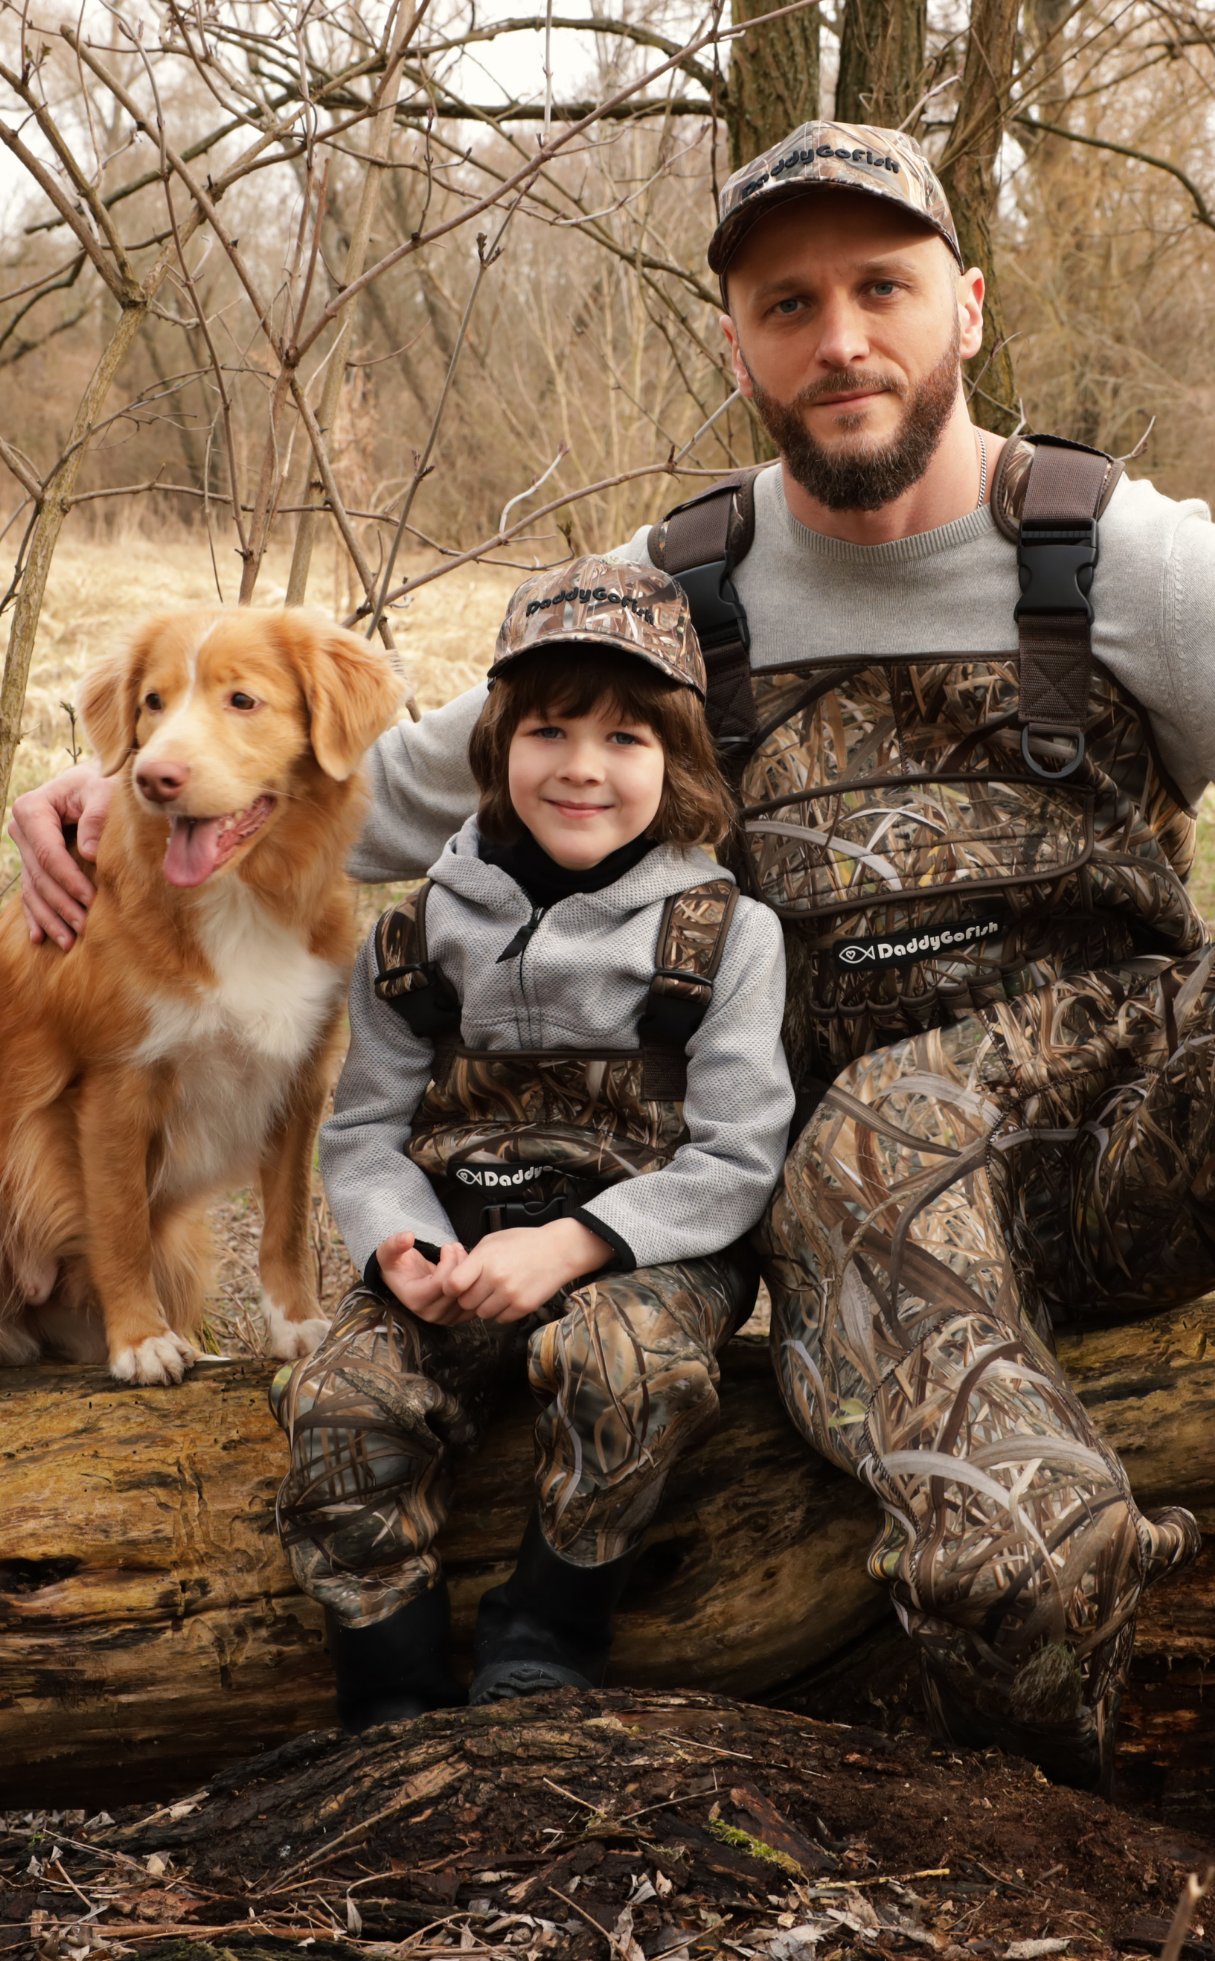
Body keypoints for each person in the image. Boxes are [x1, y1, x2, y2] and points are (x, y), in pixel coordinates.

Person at [11, 123, 1215, 1886]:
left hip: (1111, 1137)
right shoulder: (670, 591)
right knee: (1015, 1574)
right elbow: (355, 794)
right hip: (840, 1189)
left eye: (882, 288)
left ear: (964, 307)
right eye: (790, 302)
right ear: (742, 344)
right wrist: (110, 804)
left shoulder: (1123, 555)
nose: (841, 336)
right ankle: (1061, 1850)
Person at [267, 557, 792, 1725]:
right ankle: (389, 1688)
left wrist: (570, 1246)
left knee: (627, 1368)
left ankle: (545, 1634)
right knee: (338, 1399)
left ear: (680, 758)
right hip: (451, 1246)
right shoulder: (414, 932)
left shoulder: (727, 934)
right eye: (550, 729)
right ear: (498, 744)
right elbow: (362, 1132)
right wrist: (396, 1240)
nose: (584, 768)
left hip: (640, 1252)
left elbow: (737, 1157)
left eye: (625, 739)